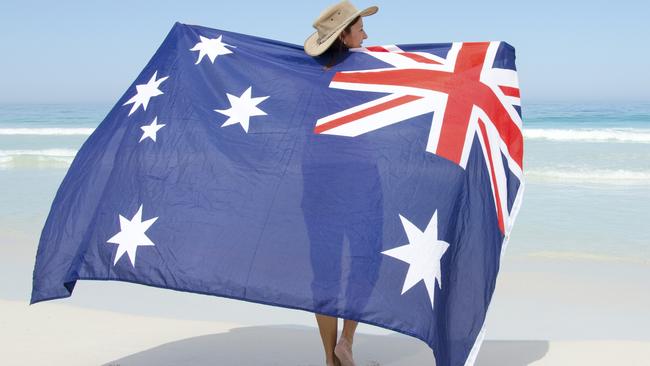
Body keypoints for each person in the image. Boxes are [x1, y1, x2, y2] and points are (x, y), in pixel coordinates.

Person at [303, 2, 379, 366]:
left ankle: (329, 358)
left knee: (325, 271)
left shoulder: (304, 75)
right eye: (360, 29)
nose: (366, 35)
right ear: (344, 35)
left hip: (317, 182)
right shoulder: (366, 71)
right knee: (365, 261)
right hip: (360, 181)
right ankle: (346, 341)